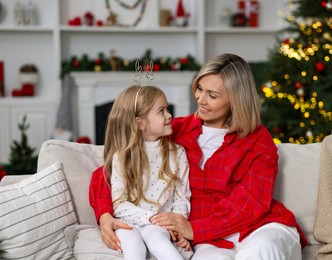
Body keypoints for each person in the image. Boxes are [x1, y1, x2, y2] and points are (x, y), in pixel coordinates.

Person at [90, 53, 308, 259]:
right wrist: (105, 215)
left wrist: (194, 228)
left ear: (236, 100)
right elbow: (110, 171)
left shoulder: (258, 140)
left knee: (259, 252)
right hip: (210, 241)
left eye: (212, 95)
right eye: (199, 89)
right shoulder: (175, 131)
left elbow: (252, 202)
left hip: (260, 228)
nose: (201, 100)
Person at [100, 85, 192, 260]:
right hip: (128, 223)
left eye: (168, 109)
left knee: (156, 238)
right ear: (140, 123)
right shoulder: (121, 157)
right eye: (161, 111)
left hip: (159, 225)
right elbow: (119, 204)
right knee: (133, 244)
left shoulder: (177, 153)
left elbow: (182, 197)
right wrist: (151, 218)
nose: (169, 115)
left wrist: (175, 222)